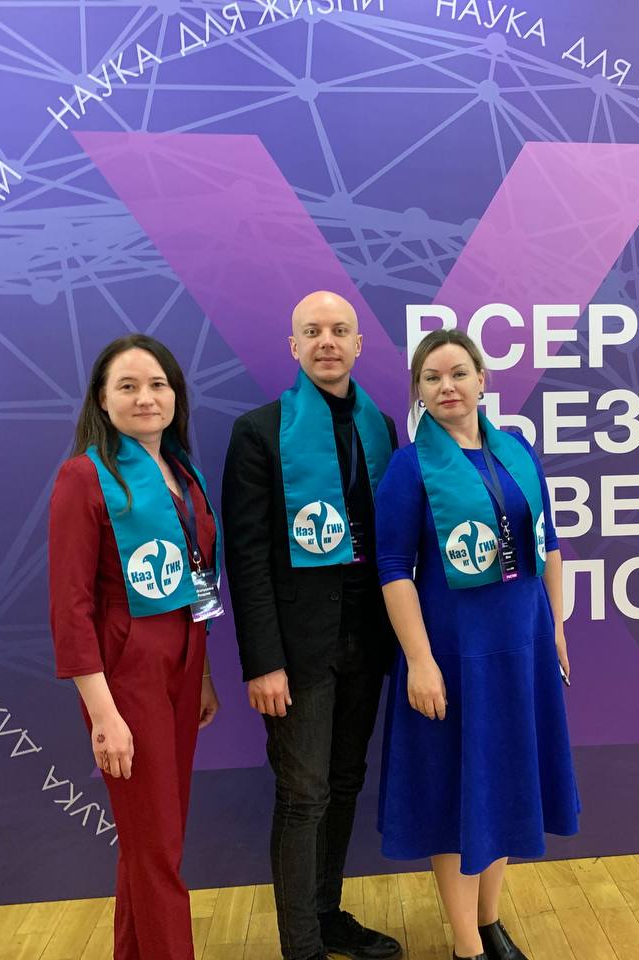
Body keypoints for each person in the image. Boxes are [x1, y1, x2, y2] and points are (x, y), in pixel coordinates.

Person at [374, 329, 580, 960]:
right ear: (418, 391)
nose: (447, 387)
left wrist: (556, 629)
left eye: (458, 373)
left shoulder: (517, 451)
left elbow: (548, 543)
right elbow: (392, 568)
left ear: (482, 380)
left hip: (522, 646)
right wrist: (420, 661)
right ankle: (467, 946)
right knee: (455, 794)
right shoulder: (410, 467)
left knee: (505, 781)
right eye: (432, 377)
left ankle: (490, 922)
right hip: (453, 654)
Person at [222, 291, 403, 960]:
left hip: (368, 640)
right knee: (304, 795)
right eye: (313, 331)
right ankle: (301, 946)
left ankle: (326, 915)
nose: (327, 341)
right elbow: (246, 559)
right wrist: (262, 661)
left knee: (346, 782)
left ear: (358, 344)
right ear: (293, 346)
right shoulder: (258, 432)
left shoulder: (383, 427)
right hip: (297, 653)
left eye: (340, 330)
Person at [49, 333, 222, 960]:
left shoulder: (183, 473)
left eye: (157, 385)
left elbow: (197, 578)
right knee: (158, 848)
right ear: (102, 399)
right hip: (126, 675)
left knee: (152, 839)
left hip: (185, 663)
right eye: (127, 386)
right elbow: (70, 608)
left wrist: (203, 675)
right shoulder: (84, 476)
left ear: (175, 395)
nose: (145, 398)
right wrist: (104, 716)